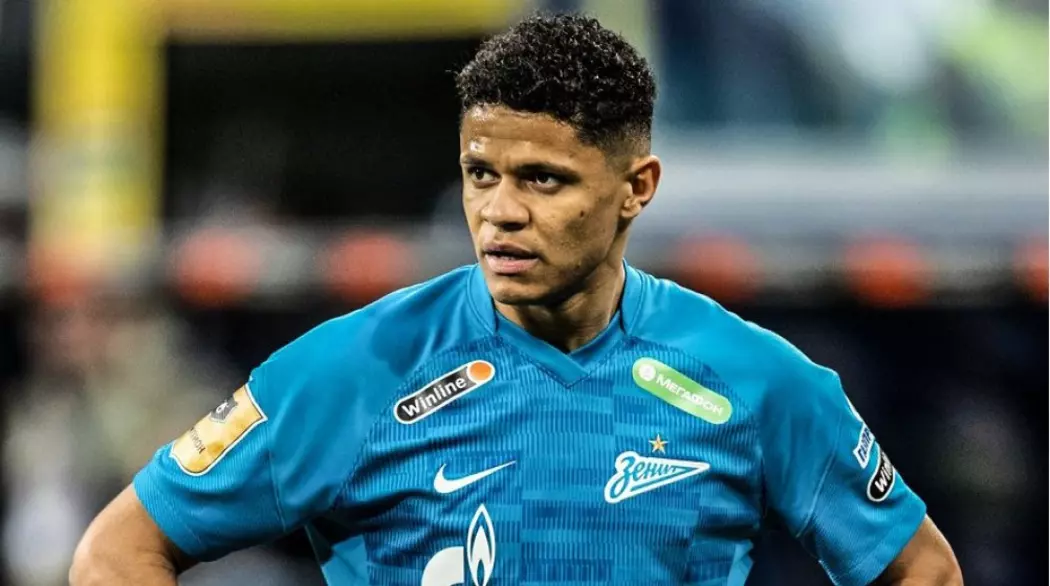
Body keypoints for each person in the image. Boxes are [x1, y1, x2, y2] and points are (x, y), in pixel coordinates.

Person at [70, 13, 963, 586]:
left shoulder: (758, 380)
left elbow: (919, 570)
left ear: (636, 187)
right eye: (480, 174)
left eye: (542, 178)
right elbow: (118, 551)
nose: (500, 211)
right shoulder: (351, 370)